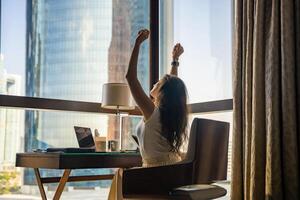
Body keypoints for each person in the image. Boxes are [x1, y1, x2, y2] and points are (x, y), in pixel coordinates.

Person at [108, 29, 188, 200]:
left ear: (164, 93)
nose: (154, 82)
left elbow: (130, 77)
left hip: (156, 176)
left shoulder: (153, 113)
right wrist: (174, 61)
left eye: (158, 83)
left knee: (120, 175)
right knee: (122, 175)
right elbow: (172, 86)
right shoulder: (168, 115)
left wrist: (137, 44)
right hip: (173, 172)